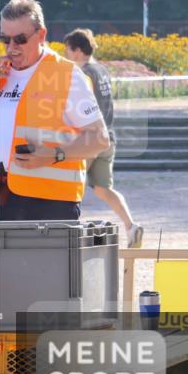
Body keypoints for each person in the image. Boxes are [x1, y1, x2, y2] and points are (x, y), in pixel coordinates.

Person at [0, 0, 110, 221]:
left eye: (20, 40)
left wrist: (55, 154)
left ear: (41, 35)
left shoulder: (67, 75)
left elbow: (99, 139)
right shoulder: (0, 71)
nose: (11, 48)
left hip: (48, 204)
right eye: (4, 39)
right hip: (2, 196)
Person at [63, 28, 143, 247]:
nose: (66, 54)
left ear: (77, 50)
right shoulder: (102, 70)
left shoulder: (83, 74)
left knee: (70, 186)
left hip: (90, 140)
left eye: (67, 49)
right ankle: (131, 226)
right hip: (108, 137)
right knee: (102, 188)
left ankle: (68, 234)